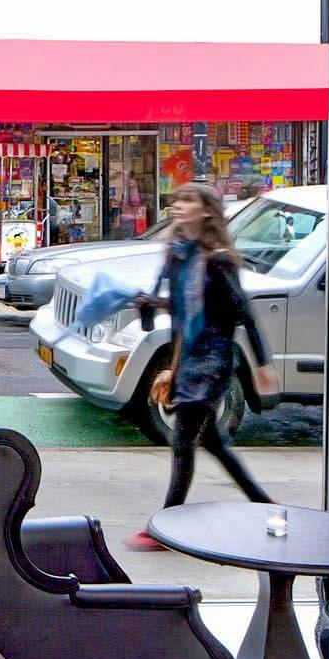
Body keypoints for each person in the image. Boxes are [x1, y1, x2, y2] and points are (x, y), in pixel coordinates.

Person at [128, 180, 278, 551]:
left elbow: (244, 313)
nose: (177, 206)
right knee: (213, 442)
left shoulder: (218, 260)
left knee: (183, 440)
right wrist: (152, 308)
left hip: (212, 359)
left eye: (187, 201)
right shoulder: (177, 256)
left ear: (207, 211)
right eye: (176, 201)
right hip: (189, 355)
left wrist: (263, 363)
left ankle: (163, 527)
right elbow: (179, 316)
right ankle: (267, 507)